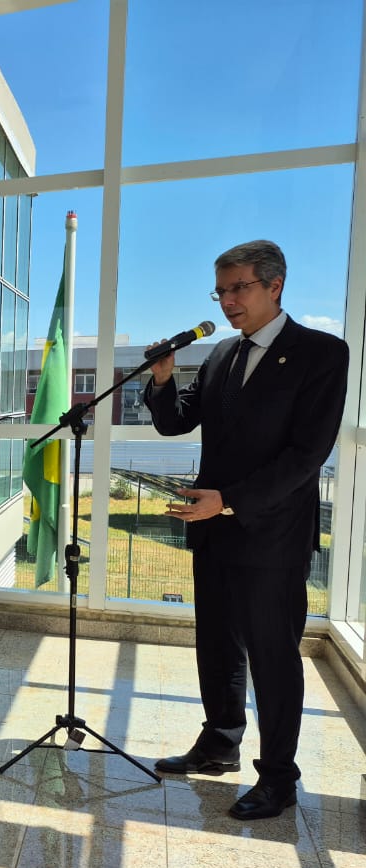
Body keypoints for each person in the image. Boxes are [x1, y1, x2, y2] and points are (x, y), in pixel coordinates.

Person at [145, 239, 349, 820]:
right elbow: (175, 423)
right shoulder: (220, 356)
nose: (228, 300)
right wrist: (162, 380)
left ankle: (279, 778)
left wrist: (229, 501)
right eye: (221, 291)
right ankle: (219, 744)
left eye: (239, 288)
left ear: (275, 285)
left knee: (272, 657)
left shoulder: (320, 353)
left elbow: (306, 455)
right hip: (214, 531)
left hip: (272, 535)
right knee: (217, 646)